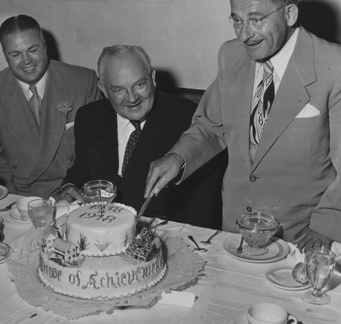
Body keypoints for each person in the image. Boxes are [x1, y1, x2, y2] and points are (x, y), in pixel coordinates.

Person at [145, 0, 341, 250]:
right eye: (237, 20)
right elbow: (211, 126)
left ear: (290, 13)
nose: (245, 34)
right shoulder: (230, 56)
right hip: (235, 231)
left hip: (302, 239)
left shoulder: (340, 68)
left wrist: (326, 233)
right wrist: (178, 157)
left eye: (256, 18)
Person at [57, 45, 226, 227]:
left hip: (164, 234)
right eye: (119, 90)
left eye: (139, 85)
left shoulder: (188, 119)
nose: (132, 98)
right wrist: (69, 185)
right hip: (102, 228)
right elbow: (83, 164)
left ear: (152, 78)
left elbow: (204, 202)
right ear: (103, 89)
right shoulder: (89, 117)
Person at [0, 15, 100, 199]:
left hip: (74, 191)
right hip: (20, 197)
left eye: (32, 50)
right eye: (15, 54)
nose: (26, 60)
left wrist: (72, 187)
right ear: (4, 54)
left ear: (45, 46)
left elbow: (94, 151)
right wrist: (15, 203)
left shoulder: (82, 82)